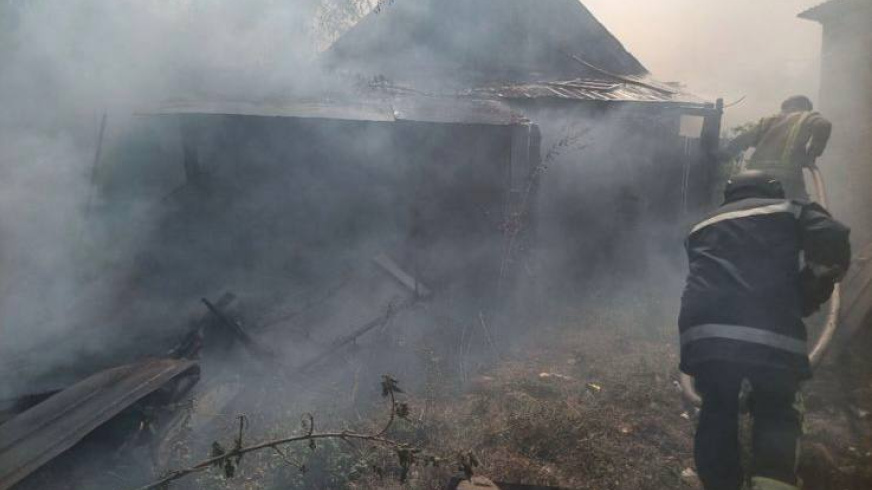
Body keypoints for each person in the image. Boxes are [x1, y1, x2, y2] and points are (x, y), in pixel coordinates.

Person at [678, 170, 850, 490]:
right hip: (769, 328)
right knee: (777, 407)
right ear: (773, 189)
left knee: (717, 407)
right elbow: (833, 235)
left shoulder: (701, 225)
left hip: (703, 333)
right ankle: (772, 481)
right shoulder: (789, 208)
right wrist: (810, 290)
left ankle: (720, 484)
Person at [725, 95, 832, 200]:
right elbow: (823, 124)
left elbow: (743, 139)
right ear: (805, 107)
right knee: (801, 206)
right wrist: (811, 156)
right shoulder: (806, 116)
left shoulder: (767, 121)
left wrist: (724, 155)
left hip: (756, 176)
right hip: (787, 177)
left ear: (787, 107)